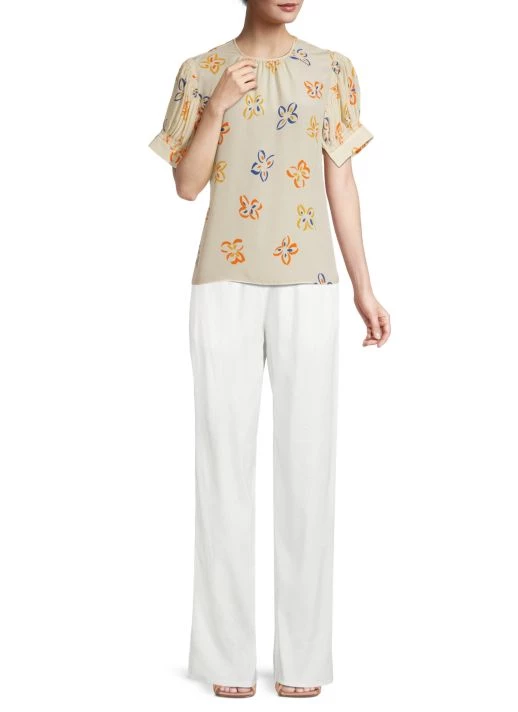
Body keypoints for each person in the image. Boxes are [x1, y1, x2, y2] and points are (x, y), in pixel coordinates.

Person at [148, 0, 391, 699]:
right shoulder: (201, 71)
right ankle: (226, 657)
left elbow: (341, 181)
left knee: (309, 467)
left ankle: (303, 660)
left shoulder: (331, 70)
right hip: (222, 283)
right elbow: (186, 185)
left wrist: (364, 287)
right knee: (222, 468)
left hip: (310, 284)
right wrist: (218, 107)